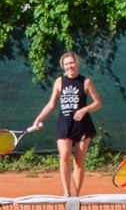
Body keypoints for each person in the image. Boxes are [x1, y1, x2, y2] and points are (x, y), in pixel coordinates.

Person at [26, 50, 102, 197]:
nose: (69, 66)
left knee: (79, 162)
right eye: (66, 64)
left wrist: (85, 109)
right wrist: (39, 119)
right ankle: (67, 193)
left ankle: (76, 195)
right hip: (64, 125)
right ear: (63, 66)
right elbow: (51, 104)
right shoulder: (59, 81)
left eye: (71, 63)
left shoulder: (86, 82)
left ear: (77, 63)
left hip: (83, 126)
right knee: (65, 156)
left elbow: (98, 103)